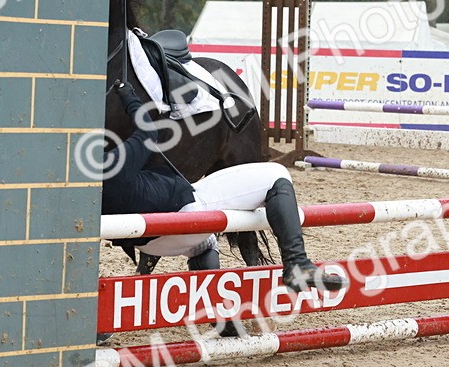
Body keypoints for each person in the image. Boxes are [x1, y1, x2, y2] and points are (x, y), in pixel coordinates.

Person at [102, 81, 343, 293]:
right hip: (186, 216)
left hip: (148, 242)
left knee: (205, 245)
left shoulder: (79, 185)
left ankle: (220, 318)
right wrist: (128, 96)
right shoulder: (112, 165)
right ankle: (297, 263)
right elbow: (148, 131)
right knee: (277, 175)